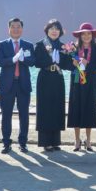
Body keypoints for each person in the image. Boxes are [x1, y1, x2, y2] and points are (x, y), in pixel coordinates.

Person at [0, 18, 35, 154]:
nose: (16, 29)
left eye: (18, 27)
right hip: (7, 85)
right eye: (13, 27)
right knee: (6, 115)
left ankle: (23, 143)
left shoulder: (28, 45)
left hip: (23, 84)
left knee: (24, 115)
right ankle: (6, 143)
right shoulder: (2, 45)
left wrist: (24, 59)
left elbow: (32, 62)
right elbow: (0, 62)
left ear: (22, 29)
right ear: (9, 29)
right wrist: (13, 59)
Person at [65, 22, 96, 152]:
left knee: (89, 109)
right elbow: (67, 65)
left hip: (91, 82)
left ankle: (88, 141)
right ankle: (77, 140)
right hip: (76, 82)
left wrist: (87, 63)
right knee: (75, 108)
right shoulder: (73, 49)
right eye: (84, 34)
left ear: (92, 35)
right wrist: (73, 63)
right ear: (80, 36)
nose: (86, 36)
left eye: (89, 33)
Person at [34, 19, 70, 151]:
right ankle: (45, 142)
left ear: (60, 32)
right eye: (52, 28)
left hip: (58, 78)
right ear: (47, 30)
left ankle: (55, 141)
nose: (54, 31)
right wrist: (49, 61)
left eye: (57, 28)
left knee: (57, 108)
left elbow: (67, 65)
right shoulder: (40, 44)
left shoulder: (64, 47)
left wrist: (74, 57)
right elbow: (36, 62)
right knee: (45, 109)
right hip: (45, 78)